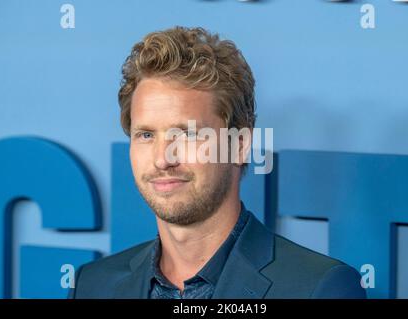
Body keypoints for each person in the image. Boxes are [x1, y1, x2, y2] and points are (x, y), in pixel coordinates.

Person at [68, 26, 366, 299]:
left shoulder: (317, 288)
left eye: (187, 135)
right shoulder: (92, 285)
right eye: (146, 135)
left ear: (239, 145)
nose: (162, 159)